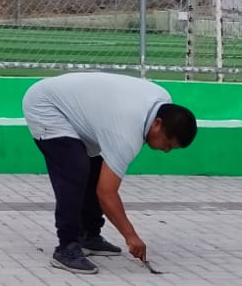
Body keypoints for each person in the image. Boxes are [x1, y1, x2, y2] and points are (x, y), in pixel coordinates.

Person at [22, 71, 198, 274]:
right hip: (47, 105)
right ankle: (66, 248)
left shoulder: (162, 101)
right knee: (75, 171)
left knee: (96, 169)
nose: (166, 150)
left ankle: (89, 235)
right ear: (157, 124)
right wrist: (131, 236)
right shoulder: (126, 134)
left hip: (79, 109)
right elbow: (106, 193)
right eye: (168, 144)